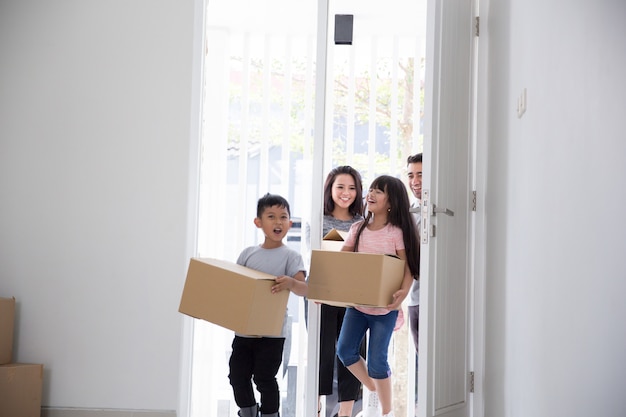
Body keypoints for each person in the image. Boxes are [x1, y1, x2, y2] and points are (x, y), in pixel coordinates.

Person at [336, 175, 420, 417]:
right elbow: (341, 260)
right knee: (345, 351)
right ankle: (374, 389)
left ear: (391, 201)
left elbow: (406, 267)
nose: (371, 194)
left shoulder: (396, 232)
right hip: (358, 307)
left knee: (377, 362)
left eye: (378, 191)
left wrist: (403, 292)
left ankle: (386, 412)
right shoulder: (357, 229)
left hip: (385, 309)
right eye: (371, 189)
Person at [228, 193, 308, 417]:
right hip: (244, 329)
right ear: (258, 222)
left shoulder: (291, 256)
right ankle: (248, 412)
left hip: (273, 332)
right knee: (237, 375)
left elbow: (305, 289)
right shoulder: (248, 253)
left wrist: (291, 282)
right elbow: (235, 286)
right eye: (271, 216)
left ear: (290, 224)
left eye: (283, 217)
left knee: (264, 377)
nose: (278, 222)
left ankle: (270, 414)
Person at [318, 166, 365, 417]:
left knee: (351, 351)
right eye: (340, 187)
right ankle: (315, 407)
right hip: (322, 294)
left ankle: (346, 411)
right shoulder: (319, 219)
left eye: (351, 188)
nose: (346, 193)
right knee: (322, 351)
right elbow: (316, 257)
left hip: (353, 296)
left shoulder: (363, 223)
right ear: (330, 189)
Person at [406, 153, 422, 353]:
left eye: (421, 174)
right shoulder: (408, 214)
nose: (415, 181)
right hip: (414, 299)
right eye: (411, 175)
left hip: (435, 299)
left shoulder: (438, 212)